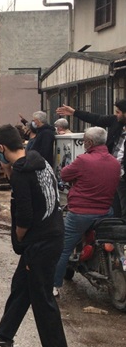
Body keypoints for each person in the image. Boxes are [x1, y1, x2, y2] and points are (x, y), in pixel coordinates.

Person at [0, 124, 71, 347]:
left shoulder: (22, 172)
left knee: (42, 298)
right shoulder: (37, 160)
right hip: (52, 234)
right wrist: (8, 169)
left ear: (2, 147)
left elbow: (25, 216)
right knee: (21, 287)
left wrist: (20, 239)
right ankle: (4, 336)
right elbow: (30, 191)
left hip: (40, 242)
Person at [53, 127, 120, 297]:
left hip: (81, 213)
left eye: (84, 141)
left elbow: (65, 174)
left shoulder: (83, 160)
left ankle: (53, 285)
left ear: (89, 142)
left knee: (63, 248)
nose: (83, 143)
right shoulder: (115, 162)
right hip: (106, 212)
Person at [57, 100, 126, 218]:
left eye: (118, 112)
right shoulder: (116, 122)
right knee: (114, 205)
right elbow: (97, 118)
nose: (116, 114)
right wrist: (75, 112)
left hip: (123, 174)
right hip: (111, 172)